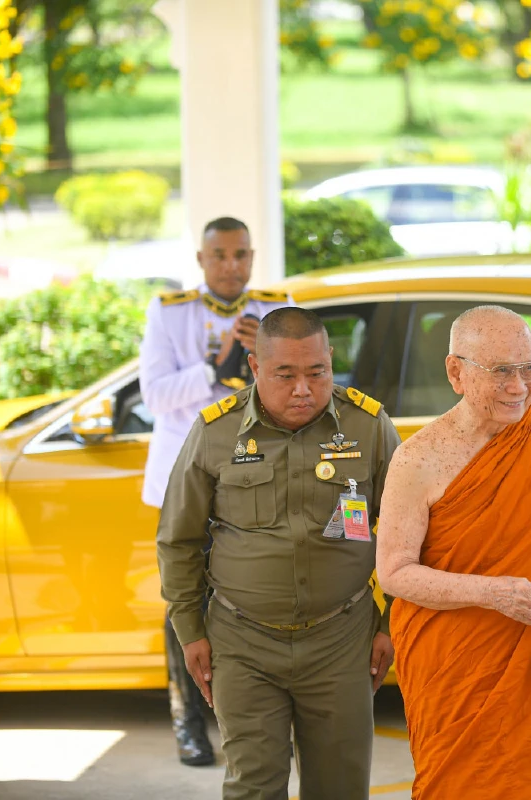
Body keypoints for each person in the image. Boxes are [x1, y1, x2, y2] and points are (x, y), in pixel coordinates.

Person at [156, 307, 400, 799]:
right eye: (285, 375)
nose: (304, 389)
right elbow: (178, 539)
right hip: (242, 642)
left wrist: (391, 623)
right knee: (253, 786)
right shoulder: (215, 432)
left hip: (342, 639)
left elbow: (409, 534)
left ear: (331, 360)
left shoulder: (369, 427)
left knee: (340, 787)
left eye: (318, 372)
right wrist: (190, 632)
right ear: (254, 366)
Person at [376, 305, 531, 799]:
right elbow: (393, 572)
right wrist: (491, 593)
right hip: (456, 664)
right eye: (501, 372)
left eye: (529, 368)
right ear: (456, 372)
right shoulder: (419, 459)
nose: (519, 387)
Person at [138, 216, 289, 766]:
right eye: (221, 255)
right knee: (185, 599)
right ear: (201, 260)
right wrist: (214, 363)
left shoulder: (277, 305)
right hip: (186, 475)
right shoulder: (169, 310)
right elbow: (154, 396)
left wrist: (261, 358)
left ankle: (251, 718)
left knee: (254, 590)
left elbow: (296, 388)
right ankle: (187, 722)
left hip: (255, 472)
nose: (233, 266)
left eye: (242, 255)